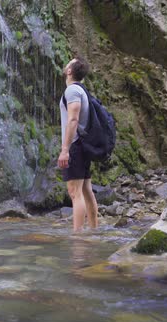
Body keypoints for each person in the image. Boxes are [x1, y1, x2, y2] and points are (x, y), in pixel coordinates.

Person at [57, 57, 99, 233]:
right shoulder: (82, 90)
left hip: (75, 145)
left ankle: (78, 235)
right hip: (83, 144)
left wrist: (65, 149)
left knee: (75, 193)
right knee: (86, 190)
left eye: (69, 63)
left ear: (69, 71)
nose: (66, 64)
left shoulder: (72, 91)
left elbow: (73, 119)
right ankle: (94, 230)